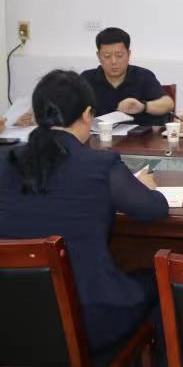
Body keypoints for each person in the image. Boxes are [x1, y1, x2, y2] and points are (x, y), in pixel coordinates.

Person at [0, 70, 168, 353]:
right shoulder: (99, 165)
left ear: (37, 115)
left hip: (13, 319)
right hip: (88, 320)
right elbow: (155, 210)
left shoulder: (5, 161)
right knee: (159, 281)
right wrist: (147, 186)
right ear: (88, 115)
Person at [80, 27, 174, 126]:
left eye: (119, 55)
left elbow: (168, 104)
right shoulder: (87, 79)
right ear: (98, 56)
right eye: (107, 56)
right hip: (98, 134)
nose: (114, 61)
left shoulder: (143, 76)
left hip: (138, 135)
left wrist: (143, 107)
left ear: (129, 54)